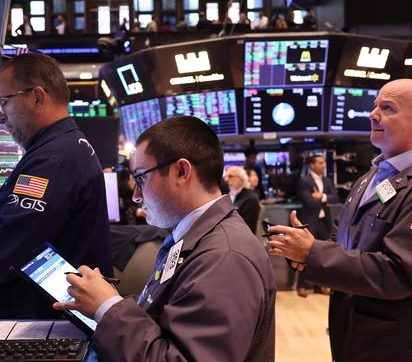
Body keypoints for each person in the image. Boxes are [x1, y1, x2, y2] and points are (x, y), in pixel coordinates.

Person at [268, 79, 412, 361]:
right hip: (355, 337)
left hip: (400, 348)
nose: (373, 114)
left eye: (387, 108)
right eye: (375, 106)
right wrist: (307, 252)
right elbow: (344, 243)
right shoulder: (370, 179)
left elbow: (398, 274)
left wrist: (315, 253)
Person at [54, 116, 276, 361]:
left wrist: (108, 309)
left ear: (181, 171)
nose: (136, 196)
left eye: (141, 178)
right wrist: (108, 299)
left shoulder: (225, 258)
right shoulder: (197, 235)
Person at [0, 53, 112, 318]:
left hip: (45, 324)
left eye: (4, 101)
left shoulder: (52, 160)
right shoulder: (69, 146)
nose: (0, 116)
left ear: (37, 97)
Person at [295, 155, 339, 297]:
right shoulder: (304, 180)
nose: (323, 165)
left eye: (324, 162)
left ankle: (319, 286)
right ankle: (302, 286)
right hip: (310, 221)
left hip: (324, 221)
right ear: (312, 165)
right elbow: (309, 201)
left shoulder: (327, 180)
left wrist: (322, 197)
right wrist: (326, 198)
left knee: (323, 253)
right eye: (320, 162)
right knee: (305, 253)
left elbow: (335, 197)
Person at [225, 166, 261, 234]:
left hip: (242, 238)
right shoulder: (227, 196)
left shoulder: (250, 198)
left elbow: (246, 226)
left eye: (231, 176)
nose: (226, 179)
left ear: (241, 178)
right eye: (226, 176)